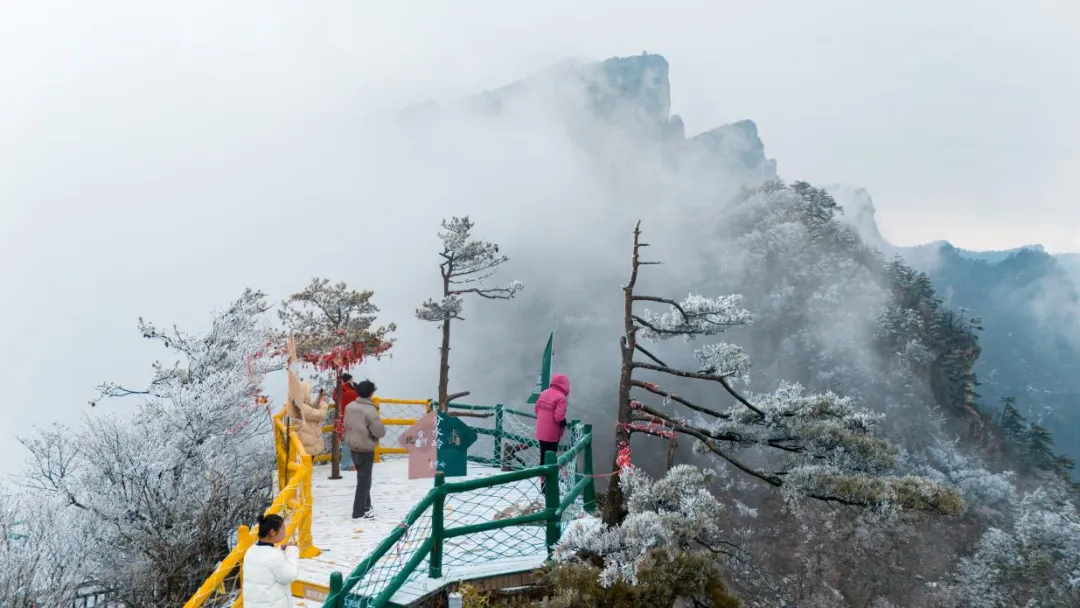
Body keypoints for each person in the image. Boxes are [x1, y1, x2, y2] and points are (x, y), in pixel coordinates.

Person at [344, 379, 386, 519]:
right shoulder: (370, 410)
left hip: (352, 445)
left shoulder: (350, 406)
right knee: (364, 480)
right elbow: (379, 431)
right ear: (371, 393)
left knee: (362, 477)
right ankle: (358, 511)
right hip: (365, 448)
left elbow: (346, 424)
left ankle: (367, 506)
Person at [242, 513, 299, 608]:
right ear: (272, 532)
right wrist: (292, 551)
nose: (284, 532)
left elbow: (267, 561)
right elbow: (289, 576)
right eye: (283, 529)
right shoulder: (274, 557)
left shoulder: (250, 551)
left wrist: (281, 549)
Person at [534, 374, 570, 490]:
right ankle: (548, 487)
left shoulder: (544, 393)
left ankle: (542, 484)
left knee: (543, 458)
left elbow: (536, 409)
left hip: (541, 431)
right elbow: (559, 417)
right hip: (552, 434)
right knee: (551, 460)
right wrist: (564, 422)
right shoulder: (561, 398)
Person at [290, 383, 329, 456]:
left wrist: (319, 397)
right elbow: (321, 415)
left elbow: (312, 408)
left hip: (306, 442)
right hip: (307, 445)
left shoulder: (298, 403)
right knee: (307, 465)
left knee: (306, 464)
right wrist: (323, 403)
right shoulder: (302, 407)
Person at [336, 373, 360, 471]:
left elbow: (336, 398)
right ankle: (349, 465)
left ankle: (347, 464)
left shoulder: (341, 391)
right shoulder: (353, 391)